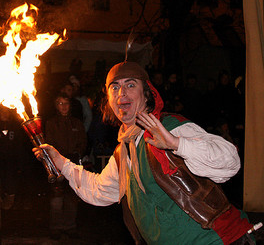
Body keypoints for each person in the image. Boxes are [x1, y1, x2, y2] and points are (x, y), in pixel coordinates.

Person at [33, 61, 256, 245]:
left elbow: (230, 162)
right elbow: (100, 190)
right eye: (115, 87)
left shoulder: (169, 127)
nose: (122, 92)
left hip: (220, 240)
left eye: (130, 85)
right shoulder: (124, 150)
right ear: (109, 101)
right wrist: (61, 162)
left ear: (147, 94)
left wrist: (176, 143)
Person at [44, 93, 87, 239]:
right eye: (60, 103)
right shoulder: (51, 123)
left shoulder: (76, 123)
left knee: (72, 196)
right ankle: (55, 227)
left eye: (66, 103)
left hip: (73, 162)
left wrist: (78, 152)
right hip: (57, 164)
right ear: (56, 106)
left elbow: (83, 141)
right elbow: (49, 143)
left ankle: (70, 226)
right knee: (56, 196)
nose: (64, 107)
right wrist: (57, 159)